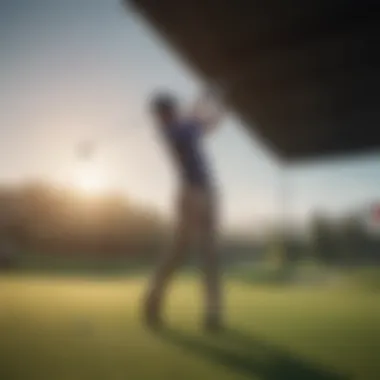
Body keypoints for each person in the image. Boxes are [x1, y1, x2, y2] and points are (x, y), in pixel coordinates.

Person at [143, 88, 225, 332]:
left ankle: (213, 313)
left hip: (208, 192)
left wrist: (220, 104)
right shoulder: (171, 130)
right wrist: (206, 99)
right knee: (178, 252)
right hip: (190, 194)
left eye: (169, 110)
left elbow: (208, 124)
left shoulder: (181, 126)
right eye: (167, 111)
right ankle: (152, 303)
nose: (169, 113)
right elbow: (199, 122)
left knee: (210, 253)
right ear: (164, 114)